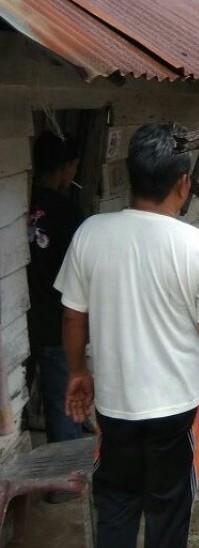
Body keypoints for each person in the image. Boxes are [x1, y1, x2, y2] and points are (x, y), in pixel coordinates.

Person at [56, 123, 199, 548]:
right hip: (176, 411)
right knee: (168, 515)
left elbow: (73, 315)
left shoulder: (92, 233)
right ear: (182, 181)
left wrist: (78, 371)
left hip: (114, 409)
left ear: (131, 176)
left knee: (115, 509)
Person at [26, 132, 85, 459]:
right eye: (74, 166)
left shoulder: (22, 201)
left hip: (23, 317)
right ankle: (65, 477)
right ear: (64, 167)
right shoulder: (68, 214)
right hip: (57, 319)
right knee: (64, 396)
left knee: (30, 395)